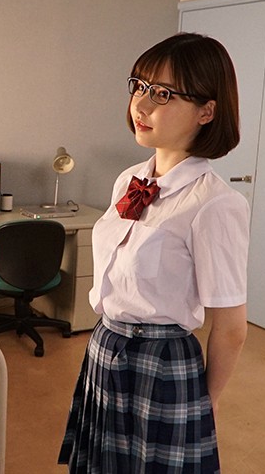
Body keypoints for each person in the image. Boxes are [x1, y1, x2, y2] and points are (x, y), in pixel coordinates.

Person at [58, 33, 249, 473]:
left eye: (162, 94)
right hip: (105, 345)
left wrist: (204, 404)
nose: (140, 105)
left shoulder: (215, 204)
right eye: (139, 87)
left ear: (206, 111)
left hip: (161, 365)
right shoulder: (129, 180)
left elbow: (231, 327)